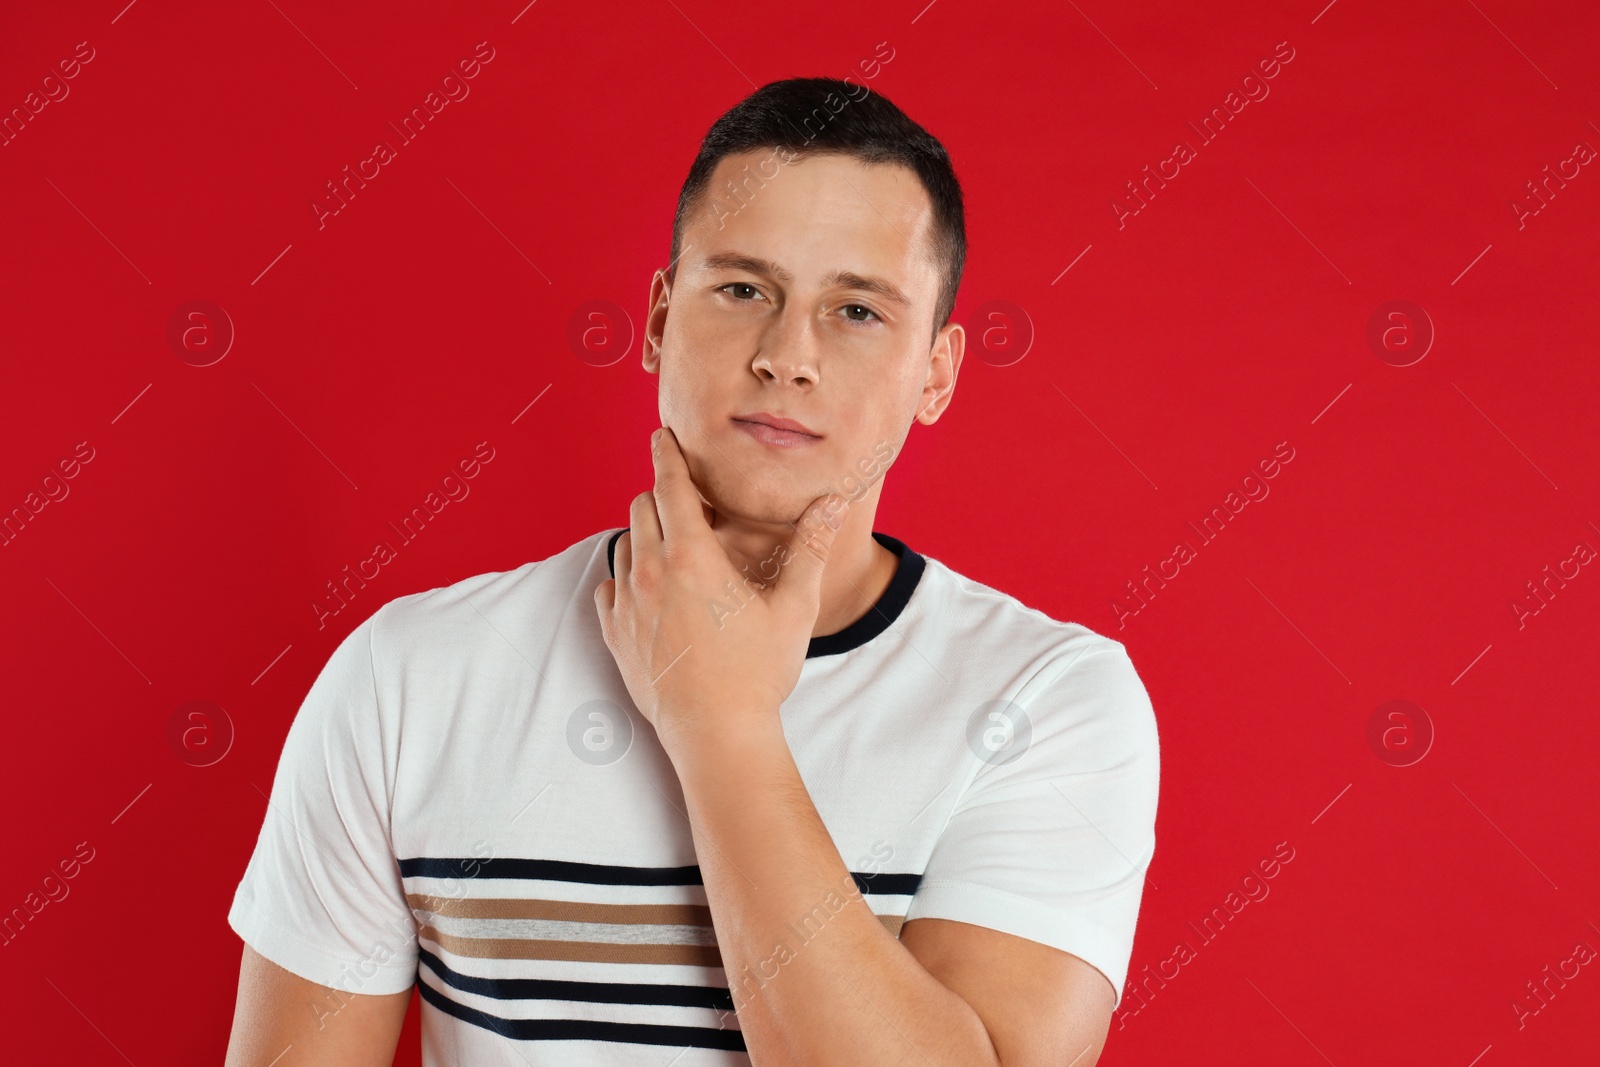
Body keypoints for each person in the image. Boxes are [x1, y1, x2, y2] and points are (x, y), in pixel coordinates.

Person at [224, 76, 1159, 1067]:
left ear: (936, 372)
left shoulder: (1050, 700)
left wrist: (723, 722)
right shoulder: (406, 676)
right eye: (745, 288)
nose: (785, 355)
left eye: (856, 309)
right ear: (662, 318)